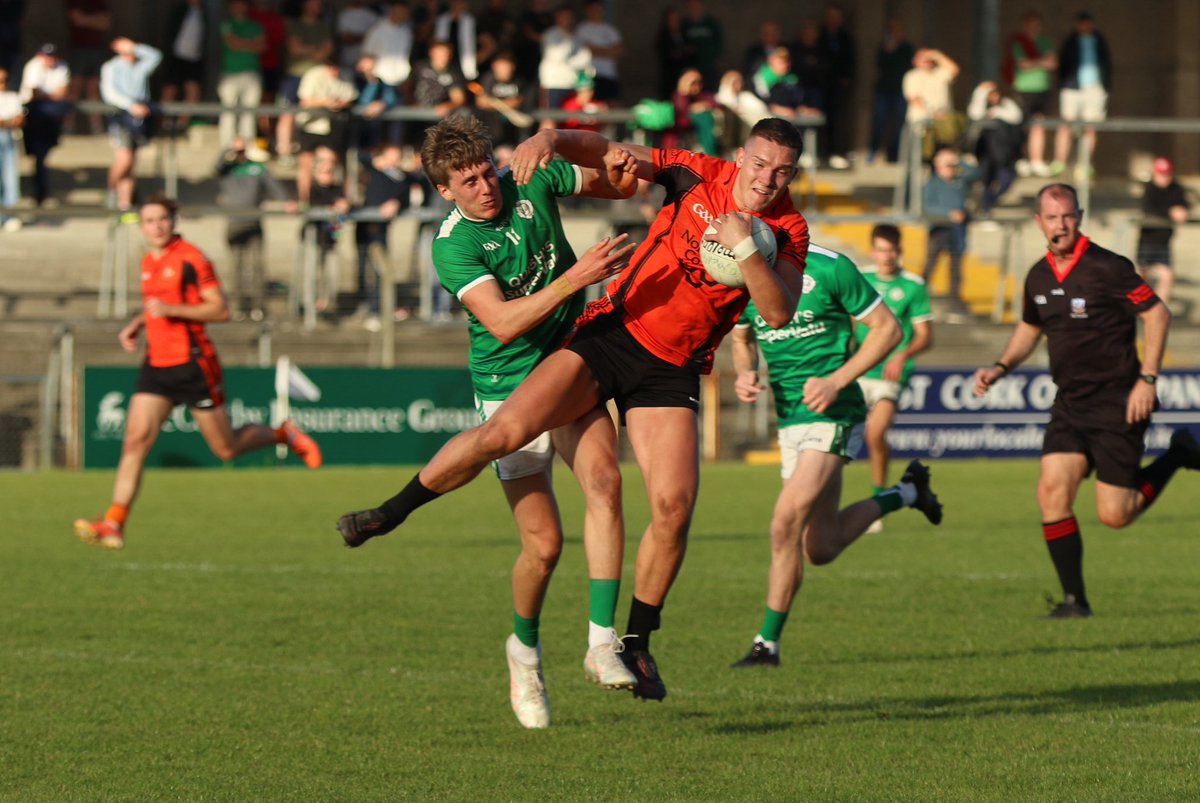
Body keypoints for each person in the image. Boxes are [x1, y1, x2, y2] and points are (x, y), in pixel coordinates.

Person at [336, 117, 813, 703]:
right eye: (760, 164)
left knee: (670, 506)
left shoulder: (787, 227)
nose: (767, 179)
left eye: (782, 170)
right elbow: (616, 155)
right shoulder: (697, 173)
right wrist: (552, 137)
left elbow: (780, 311)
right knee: (511, 455)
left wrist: (745, 250)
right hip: (606, 335)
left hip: (673, 366)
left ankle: (629, 642)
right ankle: (392, 511)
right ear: (742, 156)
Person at [354, 114, 641, 729]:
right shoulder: (451, 245)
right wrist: (578, 278)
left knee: (606, 483)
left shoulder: (525, 178)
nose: (487, 186)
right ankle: (524, 652)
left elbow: (618, 186)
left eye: (487, 171)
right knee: (543, 548)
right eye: (470, 180)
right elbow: (506, 323)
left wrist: (611, 161)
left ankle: (600, 642)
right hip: (508, 387)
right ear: (444, 191)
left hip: (571, 362)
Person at [973, 183, 1200, 618]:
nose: (1060, 225)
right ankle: (1075, 601)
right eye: (1051, 217)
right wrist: (1000, 367)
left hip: (1118, 400)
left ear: (1079, 216)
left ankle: (1176, 456)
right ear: (1038, 222)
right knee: (1051, 491)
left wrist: (1147, 379)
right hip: (1070, 404)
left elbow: (1157, 313)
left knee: (1116, 515)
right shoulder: (1037, 275)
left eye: (1067, 216)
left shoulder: (1107, 268)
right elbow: (1029, 328)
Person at [729, 243, 942, 667]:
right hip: (790, 419)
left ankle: (766, 644)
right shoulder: (740, 274)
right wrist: (745, 371)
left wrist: (836, 380)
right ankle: (907, 493)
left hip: (834, 413)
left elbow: (888, 330)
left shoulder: (828, 266)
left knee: (783, 522)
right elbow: (742, 338)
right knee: (820, 547)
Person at [74, 195, 322, 551]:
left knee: (226, 449)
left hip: (193, 364)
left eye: (162, 219)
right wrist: (137, 323)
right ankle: (114, 522)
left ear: (173, 221)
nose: (156, 226)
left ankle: (284, 434)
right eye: (149, 221)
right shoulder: (147, 261)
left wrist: (170, 309)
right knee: (135, 441)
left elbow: (220, 309)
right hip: (157, 365)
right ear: (141, 226)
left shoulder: (191, 258)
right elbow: (154, 306)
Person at [856, 224, 933, 532]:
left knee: (875, 434)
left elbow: (926, 336)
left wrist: (902, 354)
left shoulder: (913, 286)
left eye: (891, 250)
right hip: (858, 369)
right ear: (873, 251)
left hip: (889, 372)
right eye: (880, 250)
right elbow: (848, 322)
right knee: (835, 437)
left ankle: (878, 501)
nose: (886, 256)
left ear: (899, 251)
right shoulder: (861, 279)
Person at [216, 137, 294, 320]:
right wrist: (229, 149)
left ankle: (259, 306)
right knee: (236, 265)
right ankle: (237, 306)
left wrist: (286, 202)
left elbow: (275, 187)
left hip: (254, 222)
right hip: (234, 222)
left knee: (257, 265)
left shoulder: (257, 168)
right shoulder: (228, 168)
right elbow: (216, 167)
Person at [99, 37, 161, 212]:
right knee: (124, 159)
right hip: (121, 116)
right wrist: (130, 105)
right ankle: (111, 189)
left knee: (131, 162)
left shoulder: (139, 65)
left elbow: (155, 56)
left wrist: (136, 47)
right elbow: (109, 93)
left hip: (139, 119)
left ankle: (124, 204)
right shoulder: (111, 67)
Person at [1052, 12, 1111, 178]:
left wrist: (1105, 85)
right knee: (1066, 125)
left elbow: (1106, 64)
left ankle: (1084, 164)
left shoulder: (1099, 41)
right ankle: (1060, 161)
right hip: (1072, 87)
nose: (1085, 27)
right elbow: (1063, 64)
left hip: (1094, 88)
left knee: (1090, 128)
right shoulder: (1070, 41)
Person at [922, 145, 977, 320]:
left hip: (957, 232)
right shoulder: (932, 184)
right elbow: (927, 207)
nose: (950, 169)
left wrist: (957, 159)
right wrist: (948, 214)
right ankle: (918, 296)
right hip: (939, 230)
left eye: (952, 166)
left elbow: (976, 173)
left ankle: (954, 300)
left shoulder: (960, 181)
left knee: (956, 268)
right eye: (946, 165)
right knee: (930, 265)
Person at [1003, 10, 1056, 177]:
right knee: (1023, 125)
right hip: (1024, 89)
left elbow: (1052, 64)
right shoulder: (1019, 42)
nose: (1034, 28)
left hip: (1042, 88)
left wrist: (1035, 62)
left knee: (1039, 124)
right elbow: (1022, 64)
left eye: (1037, 25)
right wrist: (1041, 61)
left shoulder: (1045, 41)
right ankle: (1022, 158)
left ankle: (1036, 160)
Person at [19, 44, 71, 208]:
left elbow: (63, 92)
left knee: (42, 155)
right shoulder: (33, 66)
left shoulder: (61, 66)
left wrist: (49, 96)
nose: (50, 60)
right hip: (33, 116)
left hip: (50, 118)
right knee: (37, 155)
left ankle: (40, 192)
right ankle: (37, 192)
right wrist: (52, 95)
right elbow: (35, 94)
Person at [1135, 157, 1188, 308]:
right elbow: (1148, 208)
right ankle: (1136, 307)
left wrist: (1183, 211)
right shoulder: (1150, 188)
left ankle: (1159, 309)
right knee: (1142, 276)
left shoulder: (1176, 188)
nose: (1164, 178)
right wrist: (1170, 212)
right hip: (1148, 240)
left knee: (1167, 276)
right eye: (1161, 174)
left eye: (1167, 174)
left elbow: (1184, 205)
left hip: (1163, 241)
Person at [967, 80, 1023, 214]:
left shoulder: (1007, 104)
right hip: (986, 152)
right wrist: (980, 92)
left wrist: (997, 113)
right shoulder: (981, 106)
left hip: (1005, 152)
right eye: (990, 94)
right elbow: (975, 114)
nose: (994, 97)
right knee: (987, 180)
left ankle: (990, 202)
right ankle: (985, 208)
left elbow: (1016, 117)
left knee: (1007, 179)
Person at [218, 0, 265, 148]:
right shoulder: (226, 24)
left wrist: (242, 44)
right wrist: (251, 44)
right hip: (230, 73)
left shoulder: (255, 25)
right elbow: (232, 43)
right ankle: (227, 147)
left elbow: (262, 46)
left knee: (250, 112)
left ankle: (248, 148)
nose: (238, 7)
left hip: (252, 73)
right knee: (228, 111)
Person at [867, 16, 914, 164]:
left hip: (901, 91)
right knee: (879, 121)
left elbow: (908, 68)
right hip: (884, 90)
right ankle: (873, 150)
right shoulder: (883, 47)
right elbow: (879, 66)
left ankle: (894, 154)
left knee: (900, 124)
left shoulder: (907, 48)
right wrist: (888, 51)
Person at [903, 47, 960, 160]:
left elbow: (955, 70)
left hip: (944, 119)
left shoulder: (940, 73)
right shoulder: (912, 76)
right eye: (924, 59)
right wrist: (933, 114)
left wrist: (937, 55)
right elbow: (914, 100)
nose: (927, 61)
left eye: (929, 59)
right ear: (915, 61)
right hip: (923, 120)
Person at [161, 0, 206, 132]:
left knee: (193, 91)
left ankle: (182, 124)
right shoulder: (179, 10)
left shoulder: (203, 13)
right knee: (170, 90)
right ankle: (166, 123)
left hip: (194, 58)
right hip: (176, 56)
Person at [574, 0, 623, 103]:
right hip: (588, 74)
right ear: (587, 11)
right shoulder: (581, 29)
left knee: (612, 106)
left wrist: (597, 50)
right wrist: (608, 50)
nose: (596, 11)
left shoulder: (610, 30)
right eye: (593, 9)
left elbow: (619, 51)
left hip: (609, 74)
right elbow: (587, 51)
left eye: (598, 8)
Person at [0, 67, 22, 231]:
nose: (2, 84)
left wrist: (5, 122)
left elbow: (19, 120)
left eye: (4, 80)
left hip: (8, 140)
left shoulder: (12, 97)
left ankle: (8, 215)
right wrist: (8, 121)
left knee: (10, 178)